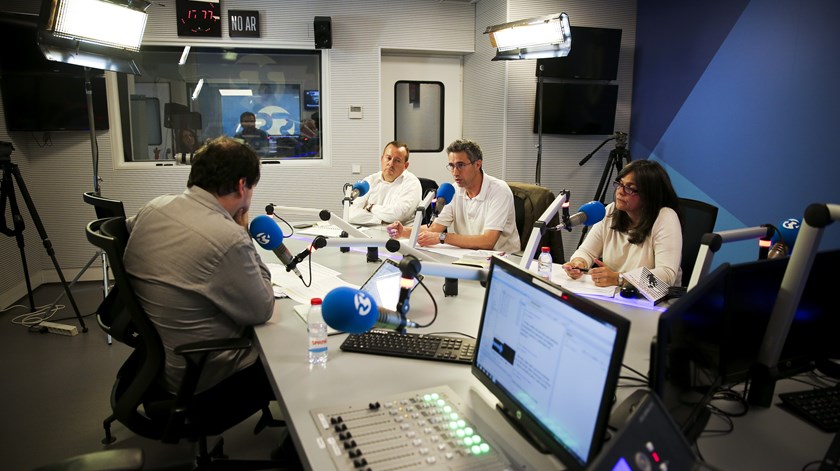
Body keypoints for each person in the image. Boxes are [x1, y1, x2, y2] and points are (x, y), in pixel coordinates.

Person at [124, 136, 275, 398]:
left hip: (159, 364)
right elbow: (262, 309)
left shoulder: (153, 207)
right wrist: (242, 231)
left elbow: (129, 228)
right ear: (242, 186)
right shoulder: (228, 237)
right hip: (204, 377)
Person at [562, 159, 682, 287]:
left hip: (655, 301)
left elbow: (666, 275)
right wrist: (579, 263)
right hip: (615, 294)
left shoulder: (665, 217)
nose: (620, 191)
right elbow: (587, 252)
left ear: (649, 195)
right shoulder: (610, 211)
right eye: (619, 184)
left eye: (630, 188)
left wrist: (619, 279)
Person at [386, 139, 520, 253]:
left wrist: (441, 237)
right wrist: (404, 231)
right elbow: (434, 228)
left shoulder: (499, 191)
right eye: (451, 166)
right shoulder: (454, 190)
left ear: (477, 164)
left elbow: (487, 241)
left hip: (502, 260)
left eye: (460, 165)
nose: (455, 172)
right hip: (467, 256)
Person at [349, 141, 422, 225]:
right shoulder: (370, 181)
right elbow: (351, 213)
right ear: (382, 158)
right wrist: (381, 221)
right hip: (368, 232)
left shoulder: (412, 183)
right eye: (388, 158)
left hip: (399, 236)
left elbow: (399, 215)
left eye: (397, 161)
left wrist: (370, 207)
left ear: (405, 166)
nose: (391, 164)